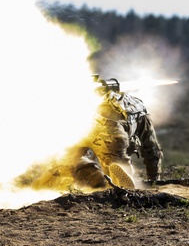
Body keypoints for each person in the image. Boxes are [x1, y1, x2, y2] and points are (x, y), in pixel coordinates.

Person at [23, 76, 164, 190]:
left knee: (68, 162)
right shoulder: (137, 108)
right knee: (116, 167)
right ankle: (116, 179)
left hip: (83, 126)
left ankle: (92, 176)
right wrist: (154, 179)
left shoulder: (82, 101)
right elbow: (152, 149)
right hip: (108, 132)